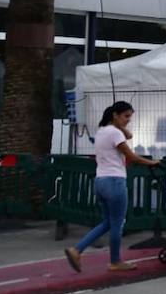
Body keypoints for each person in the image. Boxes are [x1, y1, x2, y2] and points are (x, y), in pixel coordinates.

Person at [64, 102, 160, 274]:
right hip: (115, 182)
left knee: (108, 222)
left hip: (100, 182)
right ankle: (115, 261)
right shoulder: (115, 133)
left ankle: (77, 250)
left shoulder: (102, 131)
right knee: (117, 223)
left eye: (130, 116)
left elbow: (129, 136)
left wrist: (120, 124)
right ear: (115, 115)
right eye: (126, 116)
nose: (128, 120)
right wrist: (152, 162)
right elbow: (132, 157)